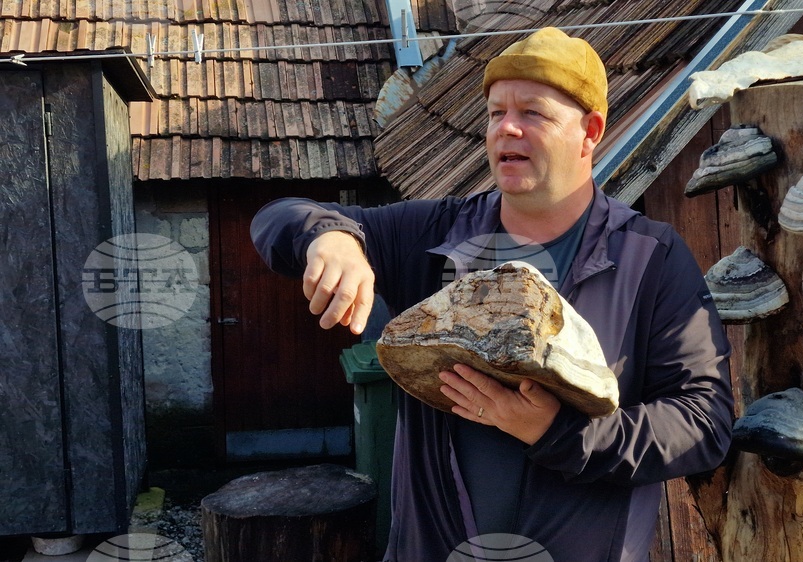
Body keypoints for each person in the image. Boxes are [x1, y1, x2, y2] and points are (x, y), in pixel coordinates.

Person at [251, 27, 733, 562]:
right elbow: (277, 215)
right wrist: (331, 237)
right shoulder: (436, 234)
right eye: (495, 112)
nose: (507, 128)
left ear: (589, 131)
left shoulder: (651, 258)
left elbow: (704, 423)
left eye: (533, 113)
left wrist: (555, 431)